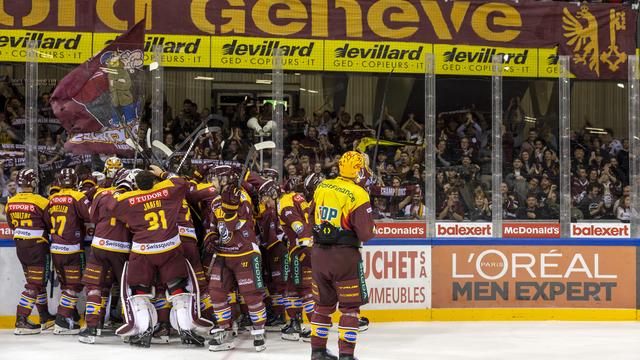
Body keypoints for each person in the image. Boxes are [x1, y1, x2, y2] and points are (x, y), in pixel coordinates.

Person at [110, 166, 211, 347]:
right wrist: (163, 174)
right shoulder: (166, 192)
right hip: (170, 249)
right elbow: (181, 181)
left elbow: (111, 204)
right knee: (179, 291)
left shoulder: (128, 199)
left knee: (140, 294)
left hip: (143, 252)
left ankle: (144, 331)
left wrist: (122, 184)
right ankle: (186, 330)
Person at [310, 151, 376, 360]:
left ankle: (317, 352)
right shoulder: (358, 194)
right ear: (358, 170)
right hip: (344, 256)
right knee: (349, 308)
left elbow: (310, 215)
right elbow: (366, 234)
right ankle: (346, 355)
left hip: (319, 254)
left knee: (322, 305)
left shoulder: (323, 186)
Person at [205, 166, 268, 353]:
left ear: (225, 180)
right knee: (216, 292)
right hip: (224, 254)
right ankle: (224, 328)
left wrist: (230, 210)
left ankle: (258, 331)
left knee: (251, 294)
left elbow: (236, 226)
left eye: (215, 179)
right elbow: (213, 224)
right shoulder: (216, 201)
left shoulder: (242, 197)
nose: (212, 183)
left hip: (244, 253)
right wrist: (210, 237)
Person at [78, 169, 133, 344]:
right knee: (126, 289)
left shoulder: (101, 193)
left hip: (100, 245)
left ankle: (93, 327)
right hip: (122, 248)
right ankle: (130, 328)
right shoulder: (135, 197)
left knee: (94, 287)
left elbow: (92, 217)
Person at [7, 168, 55, 334]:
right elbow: (51, 225)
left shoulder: (10, 201)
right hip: (37, 247)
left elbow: (11, 225)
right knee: (35, 284)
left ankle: (45, 317)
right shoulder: (41, 201)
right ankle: (21, 319)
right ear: (34, 182)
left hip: (21, 246)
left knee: (37, 282)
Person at [48, 168, 91, 335]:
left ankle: (68, 316)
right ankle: (62, 319)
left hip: (55, 248)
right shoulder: (78, 196)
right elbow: (90, 215)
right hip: (71, 248)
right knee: (74, 285)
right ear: (75, 181)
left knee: (66, 285)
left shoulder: (51, 198)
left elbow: (46, 220)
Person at [278, 176, 315, 342]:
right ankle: (294, 323)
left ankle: (315, 328)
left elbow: (298, 225)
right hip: (302, 247)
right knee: (291, 287)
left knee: (305, 289)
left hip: (300, 249)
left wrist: (303, 243)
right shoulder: (300, 198)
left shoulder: (286, 201)